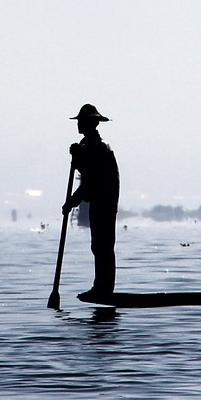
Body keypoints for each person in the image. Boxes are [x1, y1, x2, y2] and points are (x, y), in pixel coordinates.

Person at [63, 103, 119, 301]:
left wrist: (72, 202)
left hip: (104, 202)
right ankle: (102, 286)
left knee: (103, 246)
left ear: (90, 124)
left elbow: (91, 180)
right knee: (100, 246)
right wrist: (78, 158)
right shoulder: (90, 146)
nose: (78, 125)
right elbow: (87, 172)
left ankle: (103, 289)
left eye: (81, 121)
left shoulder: (97, 147)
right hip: (101, 201)